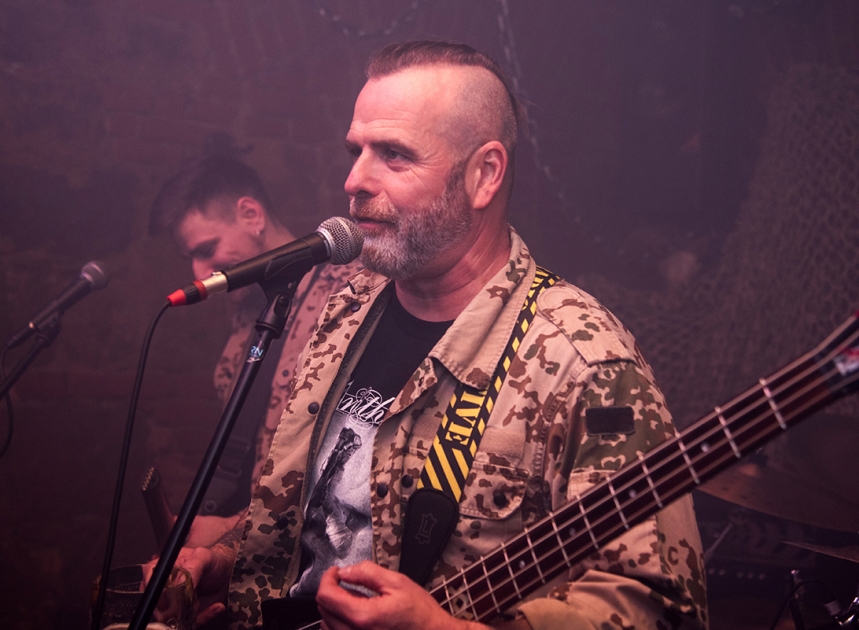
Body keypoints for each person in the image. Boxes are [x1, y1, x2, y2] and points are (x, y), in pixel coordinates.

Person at [165, 42, 709, 630]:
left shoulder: (582, 359)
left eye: (394, 155)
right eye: (356, 151)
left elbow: (658, 609)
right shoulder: (348, 308)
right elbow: (320, 515)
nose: (354, 180)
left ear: (484, 175)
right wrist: (228, 561)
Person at [149, 150, 360, 547]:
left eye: (206, 249)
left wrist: (231, 533)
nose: (198, 272)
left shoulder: (348, 293)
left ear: (251, 215)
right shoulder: (249, 307)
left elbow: (339, 473)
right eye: (191, 257)